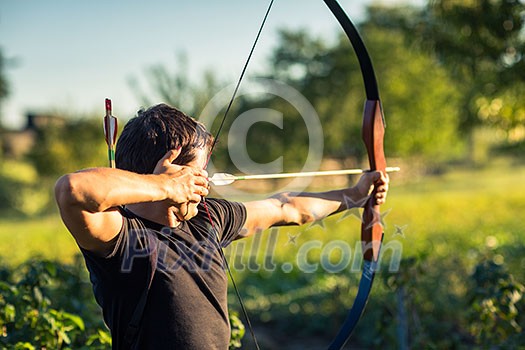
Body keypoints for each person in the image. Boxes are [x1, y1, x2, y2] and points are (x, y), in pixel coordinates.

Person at [54, 103, 389, 349]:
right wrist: (165, 188)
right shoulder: (121, 236)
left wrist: (355, 195)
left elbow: (287, 207)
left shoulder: (207, 218)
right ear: (171, 171)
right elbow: (72, 190)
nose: (206, 183)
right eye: (199, 172)